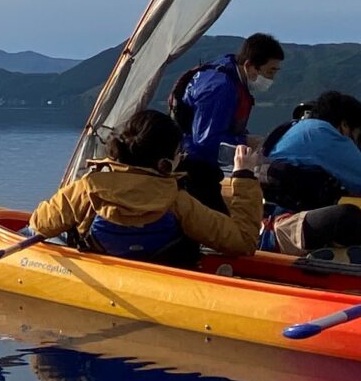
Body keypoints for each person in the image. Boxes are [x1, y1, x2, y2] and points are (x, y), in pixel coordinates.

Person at [28, 108, 262, 269]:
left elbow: (40, 224)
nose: (182, 157)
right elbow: (243, 242)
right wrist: (243, 176)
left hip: (102, 273)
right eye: (179, 153)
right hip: (163, 280)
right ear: (165, 163)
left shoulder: (87, 188)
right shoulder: (177, 201)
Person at [260, 90, 361, 258]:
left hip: (269, 222)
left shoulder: (293, 129)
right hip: (285, 228)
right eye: (357, 133)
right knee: (351, 219)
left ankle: (327, 254)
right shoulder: (322, 132)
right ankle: (334, 259)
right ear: (345, 125)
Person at [170, 33, 284, 207]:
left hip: (199, 163)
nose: (271, 79)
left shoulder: (228, 73)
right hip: (194, 168)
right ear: (249, 65)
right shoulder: (220, 88)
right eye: (269, 72)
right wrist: (244, 141)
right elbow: (206, 141)